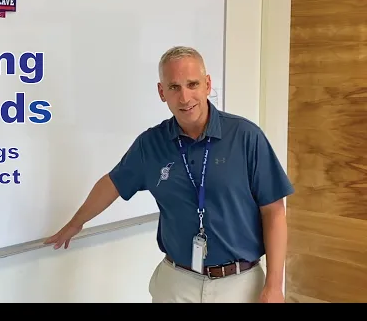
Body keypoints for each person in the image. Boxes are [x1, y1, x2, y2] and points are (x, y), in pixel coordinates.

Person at [44, 46, 293, 303]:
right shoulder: (151, 144)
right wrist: (76, 222)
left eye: (192, 84)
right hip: (177, 283)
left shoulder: (245, 136)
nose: (185, 98)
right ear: (162, 92)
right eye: (174, 87)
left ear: (207, 85)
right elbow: (112, 183)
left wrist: (274, 286)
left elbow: (274, 212)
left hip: (239, 284)